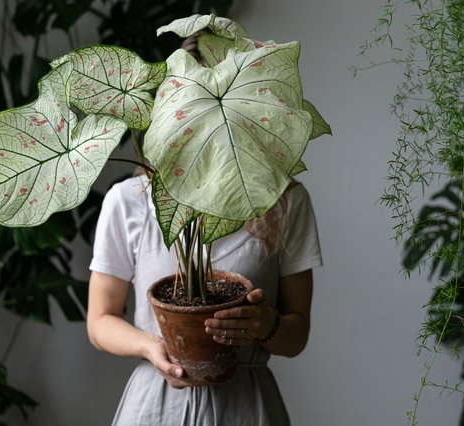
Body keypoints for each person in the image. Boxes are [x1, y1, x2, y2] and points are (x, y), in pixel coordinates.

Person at [86, 35, 323, 426]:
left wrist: (265, 323)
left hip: (246, 407)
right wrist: (153, 348)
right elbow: (99, 321)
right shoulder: (129, 200)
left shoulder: (284, 201)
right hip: (157, 404)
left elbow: (296, 337)